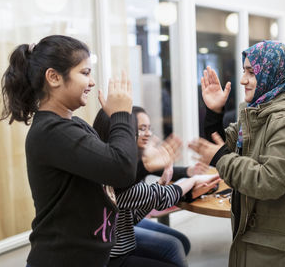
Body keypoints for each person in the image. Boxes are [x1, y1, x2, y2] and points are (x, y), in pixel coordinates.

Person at [0, 35, 141, 267]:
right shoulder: (52, 132)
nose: (92, 82)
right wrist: (121, 116)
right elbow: (122, 168)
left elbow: (113, 173)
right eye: (85, 73)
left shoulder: (73, 125)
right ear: (54, 77)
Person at [189, 41, 285, 266]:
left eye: (252, 72)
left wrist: (220, 157)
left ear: (274, 74)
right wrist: (214, 113)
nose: (243, 80)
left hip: (282, 247)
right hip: (263, 239)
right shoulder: (258, 111)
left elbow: (269, 182)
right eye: (244, 71)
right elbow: (226, 144)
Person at [92, 109, 221, 266]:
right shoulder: (118, 174)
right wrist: (193, 180)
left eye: (148, 128)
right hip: (114, 254)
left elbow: (133, 214)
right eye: (140, 129)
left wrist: (172, 180)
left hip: (121, 240)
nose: (146, 134)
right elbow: (160, 197)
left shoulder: (110, 163)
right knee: (175, 246)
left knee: (179, 243)